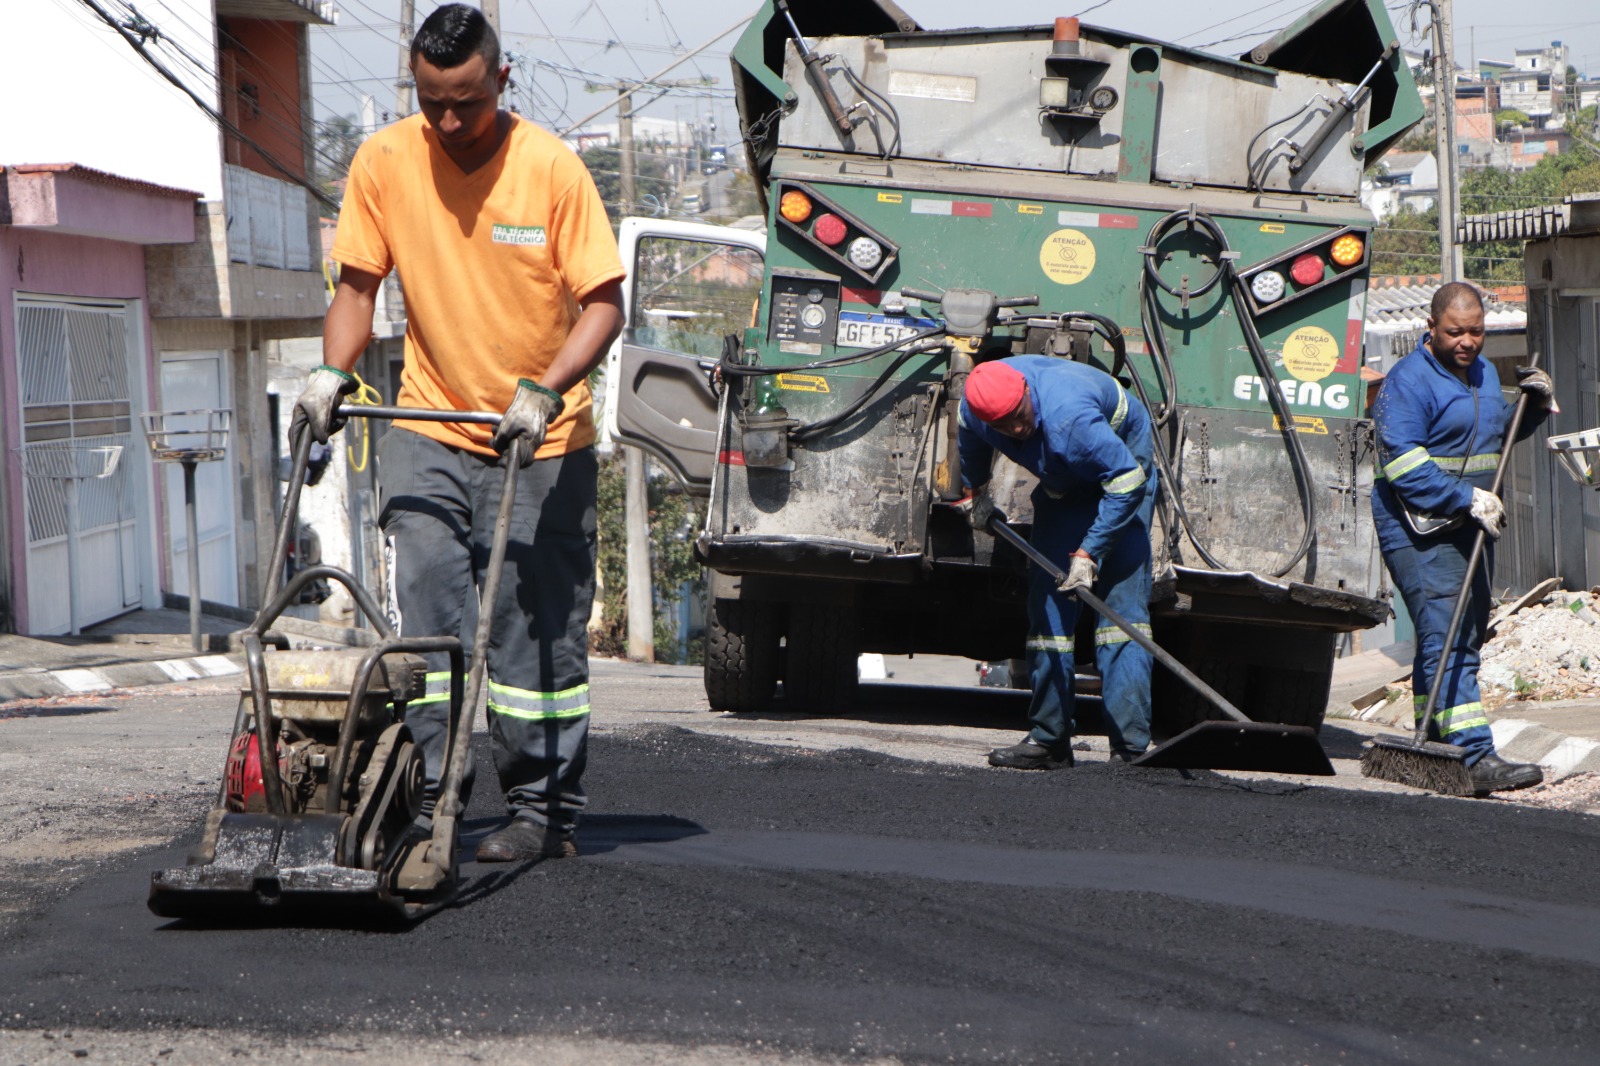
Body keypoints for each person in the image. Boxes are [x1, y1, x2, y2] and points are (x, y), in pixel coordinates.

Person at [293, 4, 625, 861]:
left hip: (540, 438)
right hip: (433, 420)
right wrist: (334, 369)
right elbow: (359, 287)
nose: (448, 121)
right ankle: (433, 790)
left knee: (526, 625)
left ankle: (542, 813)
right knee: (431, 604)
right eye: (432, 100)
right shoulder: (387, 160)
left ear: (502, 81)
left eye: (467, 102)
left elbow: (603, 306)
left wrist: (545, 391)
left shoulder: (551, 170)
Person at [1371, 281, 1553, 796]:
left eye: (1476, 331)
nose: (1467, 341)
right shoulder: (1407, 382)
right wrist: (1465, 498)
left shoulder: (1482, 378)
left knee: (1462, 632)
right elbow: (1403, 465)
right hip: (1418, 526)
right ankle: (1474, 754)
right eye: (1455, 332)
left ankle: (1433, 740)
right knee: (1445, 630)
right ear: (1431, 329)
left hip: (1467, 522)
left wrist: (1533, 407)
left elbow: (1493, 431)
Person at [959, 355, 1158, 769]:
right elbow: (970, 439)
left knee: (1121, 617)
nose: (1015, 430)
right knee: (1047, 614)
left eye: (1018, 416)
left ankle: (1131, 748)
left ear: (1027, 394)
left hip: (1122, 479)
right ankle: (1050, 740)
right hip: (1063, 486)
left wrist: (1091, 552)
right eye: (1002, 426)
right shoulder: (975, 411)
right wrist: (975, 493)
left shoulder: (1070, 419)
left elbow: (1125, 484)